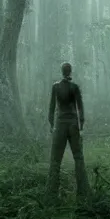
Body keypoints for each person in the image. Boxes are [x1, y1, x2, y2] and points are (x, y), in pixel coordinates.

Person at [46, 62, 90, 198]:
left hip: (60, 124)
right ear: (70, 72)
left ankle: (52, 193)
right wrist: (81, 126)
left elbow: (51, 108)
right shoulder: (75, 87)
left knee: (55, 160)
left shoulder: (55, 87)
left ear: (62, 71)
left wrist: (52, 125)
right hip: (73, 125)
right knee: (78, 157)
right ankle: (83, 192)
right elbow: (80, 108)